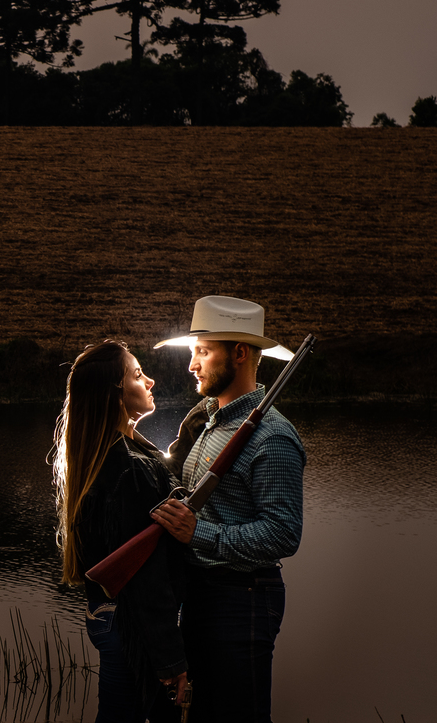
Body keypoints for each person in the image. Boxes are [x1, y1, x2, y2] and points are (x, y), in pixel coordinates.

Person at [150, 295, 306, 723]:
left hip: (243, 598)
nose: (192, 365)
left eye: (203, 351)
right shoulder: (207, 421)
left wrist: (196, 532)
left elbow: (283, 533)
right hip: (201, 594)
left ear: (239, 353)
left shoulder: (272, 437)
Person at [52, 340, 188, 722]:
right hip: (132, 625)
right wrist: (170, 658)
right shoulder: (130, 468)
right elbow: (146, 574)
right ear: (116, 393)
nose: (150, 381)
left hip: (105, 616)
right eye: (138, 374)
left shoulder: (100, 456)